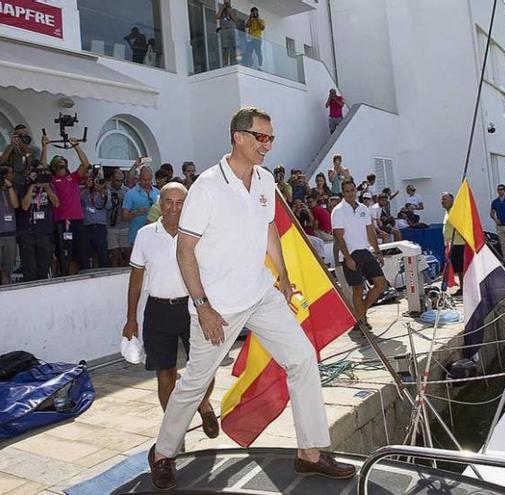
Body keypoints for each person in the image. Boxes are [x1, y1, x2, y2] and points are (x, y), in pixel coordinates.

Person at [148, 107, 355, 490]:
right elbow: (185, 251)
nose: (268, 145)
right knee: (195, 382)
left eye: (271, 138)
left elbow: (269, 230)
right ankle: (162, 454)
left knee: (303, 359)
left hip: (261, 295)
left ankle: (310, 453)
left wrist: (285, 279)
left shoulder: (263, 181)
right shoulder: (207, 187)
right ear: (238, 137)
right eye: (262, 137)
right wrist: (202, 306)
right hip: (219, 308)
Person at [123, 182, 219, 438]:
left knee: (204, 369)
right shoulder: (145, 235)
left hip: (194, 309)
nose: (174, 208)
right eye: (168, 202)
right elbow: (135, 279)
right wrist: (131, 318)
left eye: (180, 203)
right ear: (160, 204)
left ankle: (204, 404)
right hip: (158, 312)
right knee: (165, 374)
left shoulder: (201, 235)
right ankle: (174, 431)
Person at [332, 179, 386, 326]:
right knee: (358, 289)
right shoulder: (338, 211)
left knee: (381, 284)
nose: (350, 193)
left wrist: (378, 252)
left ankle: (359, 314)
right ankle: (362, 322)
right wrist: (348, 258)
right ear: (343, 193)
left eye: (352, 190)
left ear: (356, 190)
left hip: (365, 251)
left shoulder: (363, 208)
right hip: (350, 254)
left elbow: (370, 232)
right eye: (347, 191)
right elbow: (339, 236)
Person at [41, 136, 91, 276]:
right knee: (63, 254)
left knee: (77, 254)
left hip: (77, 220)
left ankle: (73, 279)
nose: (63, 167)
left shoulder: (73, 178)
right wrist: (45, 147)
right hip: (62, 221)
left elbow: (85, 164)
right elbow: (43, 168)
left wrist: (76, 146)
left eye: (64, 165)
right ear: (54, 167)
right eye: (59, 165)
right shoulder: (52, 180)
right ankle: (61, 279)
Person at [18, 164, 59, 281]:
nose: (39, 175)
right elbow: (25, 207)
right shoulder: (23, 186)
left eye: (42, 172)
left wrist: (47, 188)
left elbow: (56, 204)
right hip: (27, 232)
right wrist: (31, 187)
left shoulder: (50, 186)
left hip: (44, 232)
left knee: (43, 268)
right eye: (37, 172)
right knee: (29, 269)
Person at [121, 166, 158, 247]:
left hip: (155, 237)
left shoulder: (158, 193)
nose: (147, 182)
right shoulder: (130, 194)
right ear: (139, 178)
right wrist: (136, 212)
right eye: (144, 179)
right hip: (136, 236)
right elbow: (124, 216)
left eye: (149, 179)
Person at [0, 125, 40, 194]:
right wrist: (11, 146)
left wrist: (24, 148)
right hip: (16, 182)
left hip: (30, 182)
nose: (23, 137)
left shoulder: (35, 149)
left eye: (25, 134)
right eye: (20, 135)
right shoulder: (11, 148)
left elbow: (33, 164)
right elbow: (1, 162)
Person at [81, 175, 110, 268]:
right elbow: (76, 200)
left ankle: (103, 272)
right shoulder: (84, 191)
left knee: (102, 254)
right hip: (86, 226)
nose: (96, 184)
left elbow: (108, 206)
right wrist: (86, 188)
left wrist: (102, 194)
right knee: (86, 254)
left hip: (100, 227)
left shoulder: (105, 191)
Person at [106, 169, 130, 267]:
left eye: (121, 181)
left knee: (127, 253)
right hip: (111, 226)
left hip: (125, 225)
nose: (119, 183)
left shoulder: (127, 191)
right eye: (117, 180)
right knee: (114, 253)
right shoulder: (106, 189)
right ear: (111, 178)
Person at [441, 192, 464, 287]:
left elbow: (461, 226)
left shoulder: (455, 212)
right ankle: (461, 287)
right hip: (451, 244)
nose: (442, 202)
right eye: (442, 200)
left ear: (452, 200)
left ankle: (463, 288)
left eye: (445, 199)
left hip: (458, 243)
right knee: (457, 268)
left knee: (460, 268)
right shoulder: (448, 212)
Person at [216, 0, 238, 67]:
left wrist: (230, 10)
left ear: (230, 2)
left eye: (227, 2)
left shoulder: (234, 10)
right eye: (225, 1)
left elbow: (235, 19)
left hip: (231, 29)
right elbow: (217, 17)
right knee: (225, 47)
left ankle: (233, 61)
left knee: (233, 46)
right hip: (224, 29)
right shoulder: (222, 10)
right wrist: (221, 9)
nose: (226, 3)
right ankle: (225, 63)